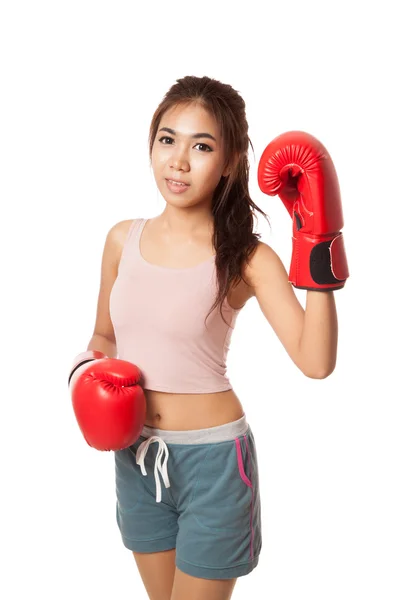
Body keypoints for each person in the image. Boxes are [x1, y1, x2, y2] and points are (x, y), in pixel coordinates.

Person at [80, 75, 347, 600]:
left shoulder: (247, 257)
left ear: (228, 162)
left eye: (201, 146)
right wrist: (83, 380)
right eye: (167, 138)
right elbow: (103, 336)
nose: (178, 160)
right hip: (136, 456)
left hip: (214, 463)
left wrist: (317, 241)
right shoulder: (120, 239)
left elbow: (316, 362)